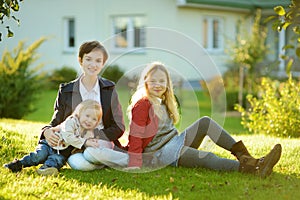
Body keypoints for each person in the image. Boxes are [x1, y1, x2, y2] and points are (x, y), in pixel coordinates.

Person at [125, 61, 282, 178]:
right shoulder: (143, 104)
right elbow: (136, 135)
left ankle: (248, 159)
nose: (157, 85)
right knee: (206, 157)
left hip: (175, 142)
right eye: (153, 81)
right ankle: (253, 170)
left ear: (167, 83)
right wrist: (134, 163)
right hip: (160, 154)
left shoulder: (164, 101)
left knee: (205, 122)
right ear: (145, 82)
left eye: (161, 81)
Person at [41, 40, 125, 171]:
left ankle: (130, 160)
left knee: (91, 153)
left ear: (103, 64)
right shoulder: (66, 90)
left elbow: (119, 127)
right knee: (80, 164)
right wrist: (46, 131)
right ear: (80, 60)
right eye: (88, 59)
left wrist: (93, 134)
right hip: (75, 146)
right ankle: (106, 161)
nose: (93, 64)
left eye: (98, 61)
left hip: (101, 141)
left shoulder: (109, 89)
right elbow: (57, 121)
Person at [3, 100, 112, 175]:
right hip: (50, 145)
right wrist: (85, 143)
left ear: (97, 122)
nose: (89, 120)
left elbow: (84, 145)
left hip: (62, 153)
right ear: (79, 114)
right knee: (39, 156)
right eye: (87, 116)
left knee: (56, 161)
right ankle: (18, 164)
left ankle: (45, 169)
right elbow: (69, 137)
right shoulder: (71, 121)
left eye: (94, 119)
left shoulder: (89, 133)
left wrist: (91, 145)